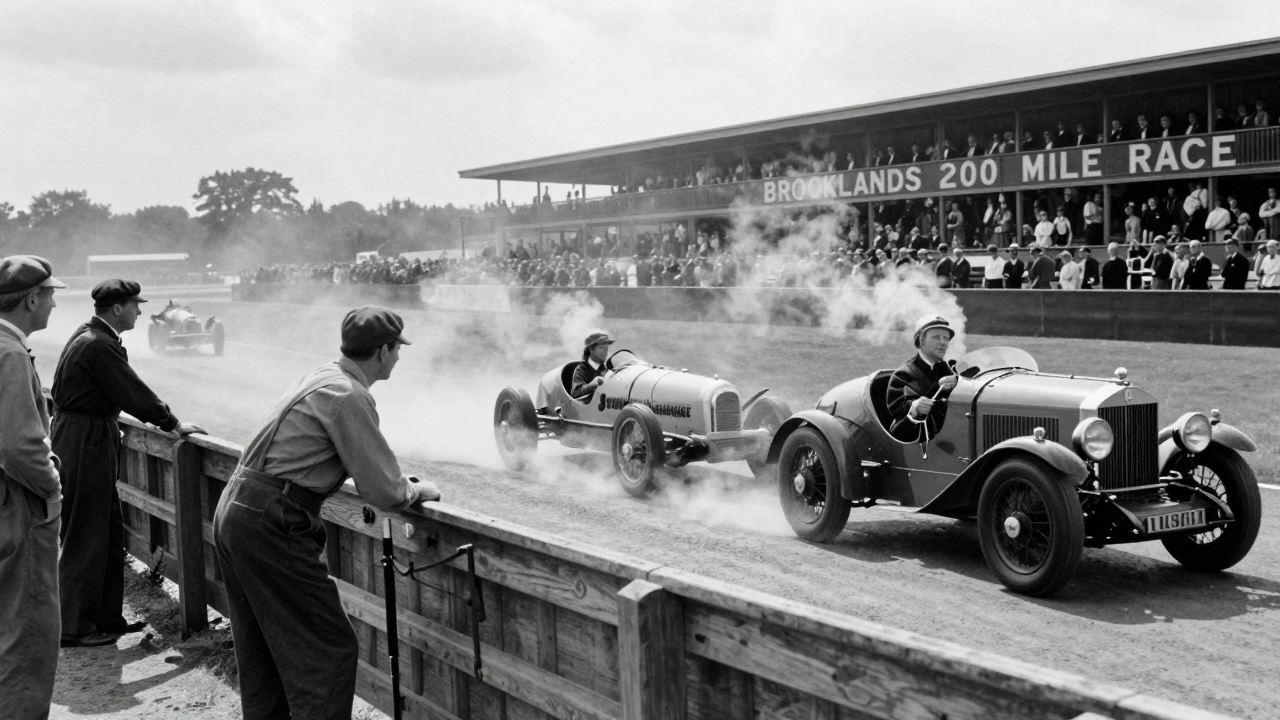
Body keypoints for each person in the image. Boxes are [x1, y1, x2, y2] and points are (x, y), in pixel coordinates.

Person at [213, 306, 440, 720]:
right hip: (272, 518)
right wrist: (417, 489)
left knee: (263, 648)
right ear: (385, 351)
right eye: (397, 349)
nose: (399, 357)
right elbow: (384, 491)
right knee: (329, 648)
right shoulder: (349, 395)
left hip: (240, 508)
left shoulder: (322, 375)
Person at [53, 280, 205, 648]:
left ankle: (104, 618)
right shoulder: (99, 344)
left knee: (105, 529)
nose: (140, 310)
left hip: (86, 434)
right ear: (117, 309)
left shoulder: (90, 335)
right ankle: (74, 627)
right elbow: (132, 391)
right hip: (85, 438)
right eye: (135, 305)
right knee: (85, 531)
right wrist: (171, 423)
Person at [0, 256, 65, 718]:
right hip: (17, 504)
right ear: (31, 299)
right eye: (51, 294)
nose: (55, 303)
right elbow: (21, 446)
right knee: (28, 632)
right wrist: (53, 488)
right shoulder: (8, 352)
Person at [885, 316, 958, 441]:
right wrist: (915, 406)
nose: (943, 343)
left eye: (946, 338)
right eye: (936, 337)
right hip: (916, 441)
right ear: (921, 340)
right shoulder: (903, 375)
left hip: (951, 437)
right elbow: (897, 410)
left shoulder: (949, 370)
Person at [572, 330, 614, 399]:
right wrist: (594, 383)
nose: (605, 351)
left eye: (606, 349)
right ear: (591, 349)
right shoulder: (582, 369)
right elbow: (576, 393)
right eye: (601, 348)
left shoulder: (607, 371)